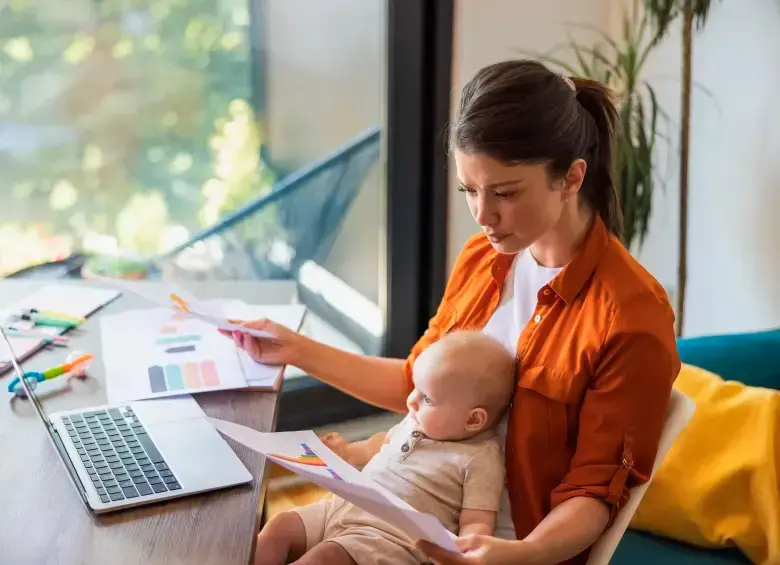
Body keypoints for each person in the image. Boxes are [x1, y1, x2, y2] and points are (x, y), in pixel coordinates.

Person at [227, 59, 681, 565]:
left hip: (491, 545)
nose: (484, 216)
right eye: (470, 191)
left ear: (571, 177)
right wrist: (294, 349)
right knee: (246, 536)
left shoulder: (631, 318)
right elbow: (415, 385)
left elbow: (593, 494)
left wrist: (520, 552)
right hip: (399, 503)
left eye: (506, 193)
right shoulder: (483, 261)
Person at [255, 331, 516, 565]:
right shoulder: (417, 421)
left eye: (427, 398)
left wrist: (467, 547)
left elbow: (477, 520)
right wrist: (348, 452)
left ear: (473, 420)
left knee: (325, 556)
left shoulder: (480, 459)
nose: (411, 401)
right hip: (342, 508)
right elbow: (380, 443)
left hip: (388, 538)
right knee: (279, 526)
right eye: (415, 388)